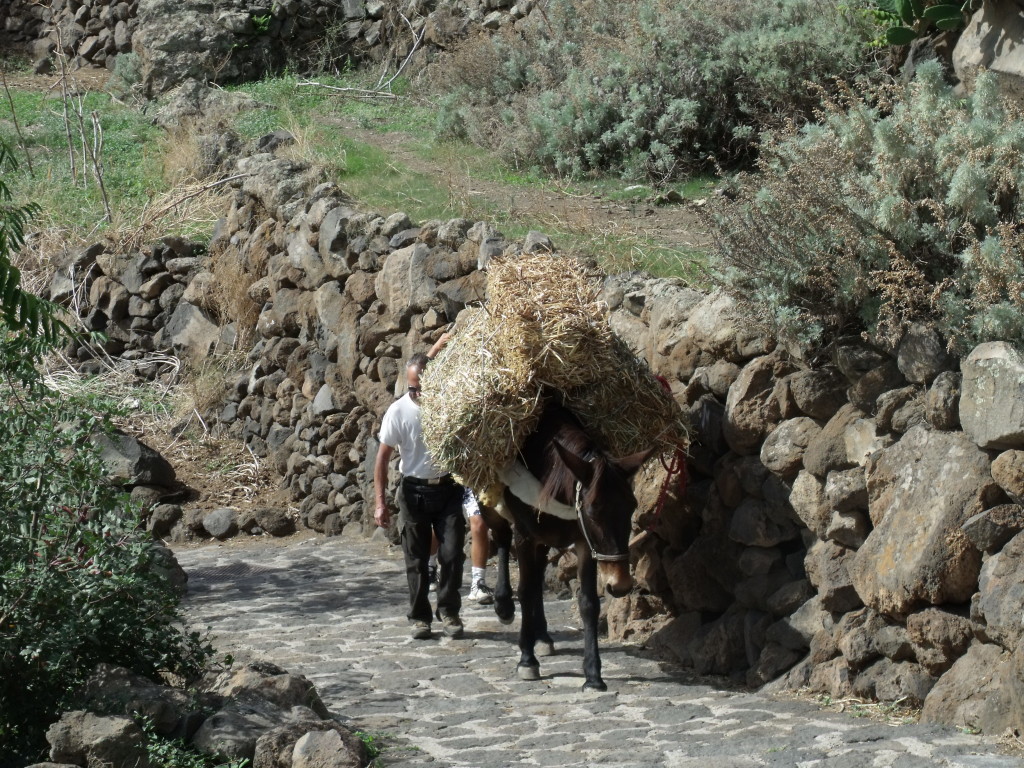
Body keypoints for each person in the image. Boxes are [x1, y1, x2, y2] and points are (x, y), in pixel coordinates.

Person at [374, 338, 466, 640]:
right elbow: (383, 458)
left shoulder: (448, 406)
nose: (418, 393)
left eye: (423, 386)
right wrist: (380, 503)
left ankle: (449, 611)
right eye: (413, 387)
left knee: (452, 554)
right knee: (415, 558)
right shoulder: (398, 412)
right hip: (413, 492)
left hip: (448, 489)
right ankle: (420, 617)